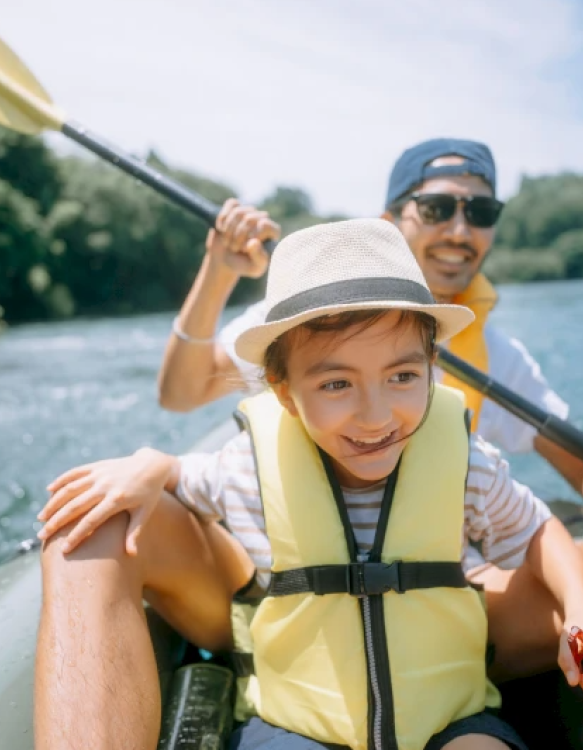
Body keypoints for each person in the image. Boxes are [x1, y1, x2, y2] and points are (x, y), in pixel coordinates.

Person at [36, 219, 583, 750]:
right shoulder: (246, 466)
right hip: (297, 724)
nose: (375, 415)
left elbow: (537, 530)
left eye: (402, 377)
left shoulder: (469, 463)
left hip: (446, 714)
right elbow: (185, 477)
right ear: (283, 391)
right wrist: (153, 462)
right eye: (337, 383)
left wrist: (577, 602)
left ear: (432, 368)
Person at [157, 138, 583, 680]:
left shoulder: (501, 357)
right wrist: (218, 271)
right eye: (436, 209)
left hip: (443, 590)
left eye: (479, 212)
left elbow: (569, 468)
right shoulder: (301, 324)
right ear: (390, 222)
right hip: (305, 592)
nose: (459, 230)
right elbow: (179, 393)